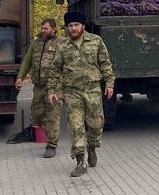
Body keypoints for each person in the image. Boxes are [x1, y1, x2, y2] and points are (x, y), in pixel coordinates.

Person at [47, 11, 115, 177]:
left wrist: (109, 83)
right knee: (75, 126)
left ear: (83, 26)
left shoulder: (95, 41)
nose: (73, 28)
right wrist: (51, 90)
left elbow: (105, 63)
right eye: (70, 26)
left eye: (76, 25)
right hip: (72, 91)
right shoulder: (62, 46)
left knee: (96, 124)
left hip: (92, 90)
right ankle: (80, 161)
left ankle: (92, 147)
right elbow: (55, 69)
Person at [8, 18, 61, 158]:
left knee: (52, 115)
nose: (43, 31)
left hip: (54, 87)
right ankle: (45, 132)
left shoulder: (60, 44)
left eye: (46, 28)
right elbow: (27, 61)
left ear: (54, 29)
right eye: (42, 28)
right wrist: (20, 77)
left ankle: (51, 144)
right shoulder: (36, 43)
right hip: (38, 86)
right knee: (37, 114)